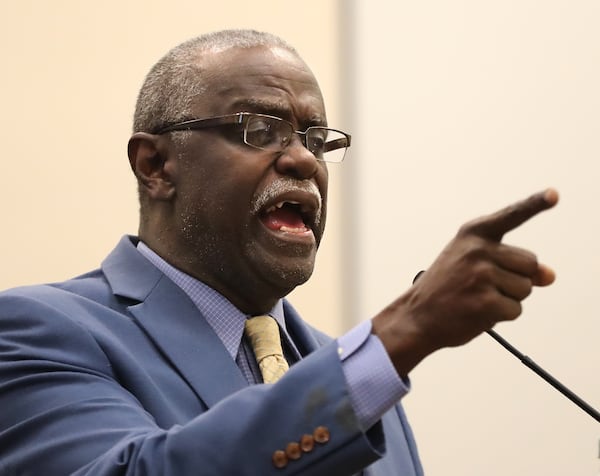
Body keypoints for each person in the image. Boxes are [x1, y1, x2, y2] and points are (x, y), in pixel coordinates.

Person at [0, 29, 558, 475]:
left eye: (318, 140)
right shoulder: (37, 330)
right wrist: (404, 330)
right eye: (261, 129)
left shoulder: (352, 374)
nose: (304, 161)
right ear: (156, 166)